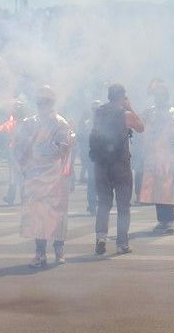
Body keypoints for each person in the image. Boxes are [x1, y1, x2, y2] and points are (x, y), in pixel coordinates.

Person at [15, 88, 75, 267]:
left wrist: (65, 169)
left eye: (46, 101)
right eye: (40, 101)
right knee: (36, 213)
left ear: (52, 103)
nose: (42, 105)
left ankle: (59, 249)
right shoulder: (30, 123)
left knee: (56, 212)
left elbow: (65, 149)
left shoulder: (60, 123)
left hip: (55, 173)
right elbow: (20, 144)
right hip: (35, 173)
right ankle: (40, 253)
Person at [88, 83, 145, 255]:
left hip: (101, 164)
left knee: (104, 203)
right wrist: (129, 107)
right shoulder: (125, 114)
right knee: (123, 205)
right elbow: (141, 128)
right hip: (120, 164)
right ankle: (122, 243)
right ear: (122, 97)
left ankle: (101, 238)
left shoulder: (99, 112)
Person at [136, 79, 174, 234]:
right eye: (156, 95)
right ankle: (161, 220)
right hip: (153, 157)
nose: (158, 98)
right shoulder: (149, 112)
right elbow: (140, 127)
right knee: (157, 190)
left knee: (168, 190)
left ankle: (169, 220)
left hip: (169, 157)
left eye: (161, 95)